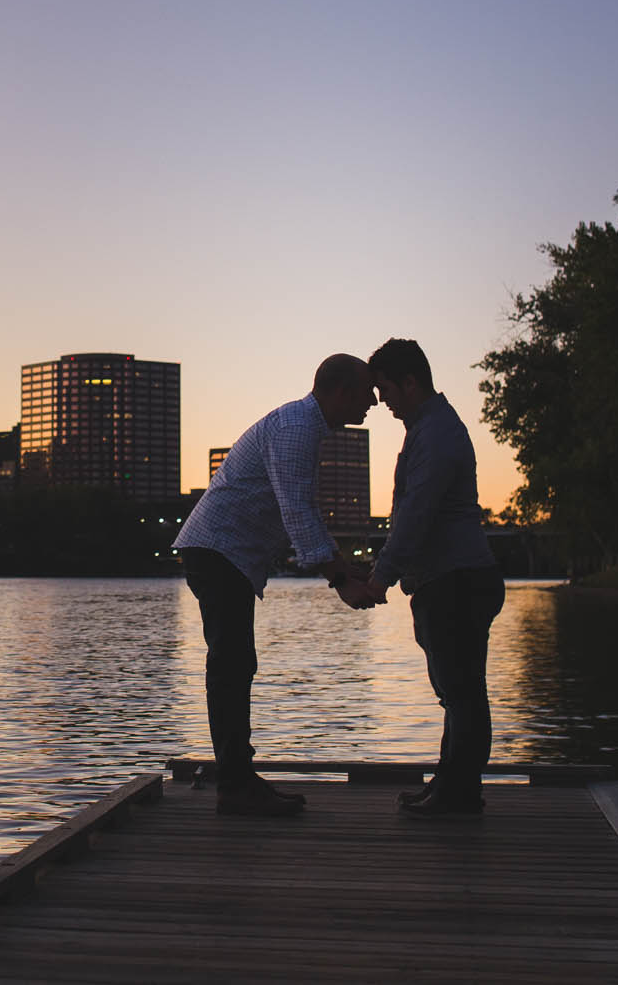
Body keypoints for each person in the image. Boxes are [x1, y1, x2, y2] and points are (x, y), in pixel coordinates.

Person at [172, 355, 380, 816]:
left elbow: (300, 510)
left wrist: (343, 567)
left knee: (235, 664)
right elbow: (297, 512)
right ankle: (235, 784)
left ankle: (238, 778)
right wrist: (340, 579)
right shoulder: (295, 429)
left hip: (224, 554)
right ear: (343, 392)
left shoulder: (302, 426)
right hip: (217, 551)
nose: (375, 401)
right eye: (368, 392)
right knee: (231, 665)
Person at [348, 337, 504, 819]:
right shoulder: (431, 428)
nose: (381, 400)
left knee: (461, 692)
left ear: (410, 382)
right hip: (451, 578)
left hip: (455, 580)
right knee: (457, 691)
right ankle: (452, 783)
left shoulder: (435, 434)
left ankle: (458, 794)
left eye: (386, 389)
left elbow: (415, 515)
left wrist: (380, 578)